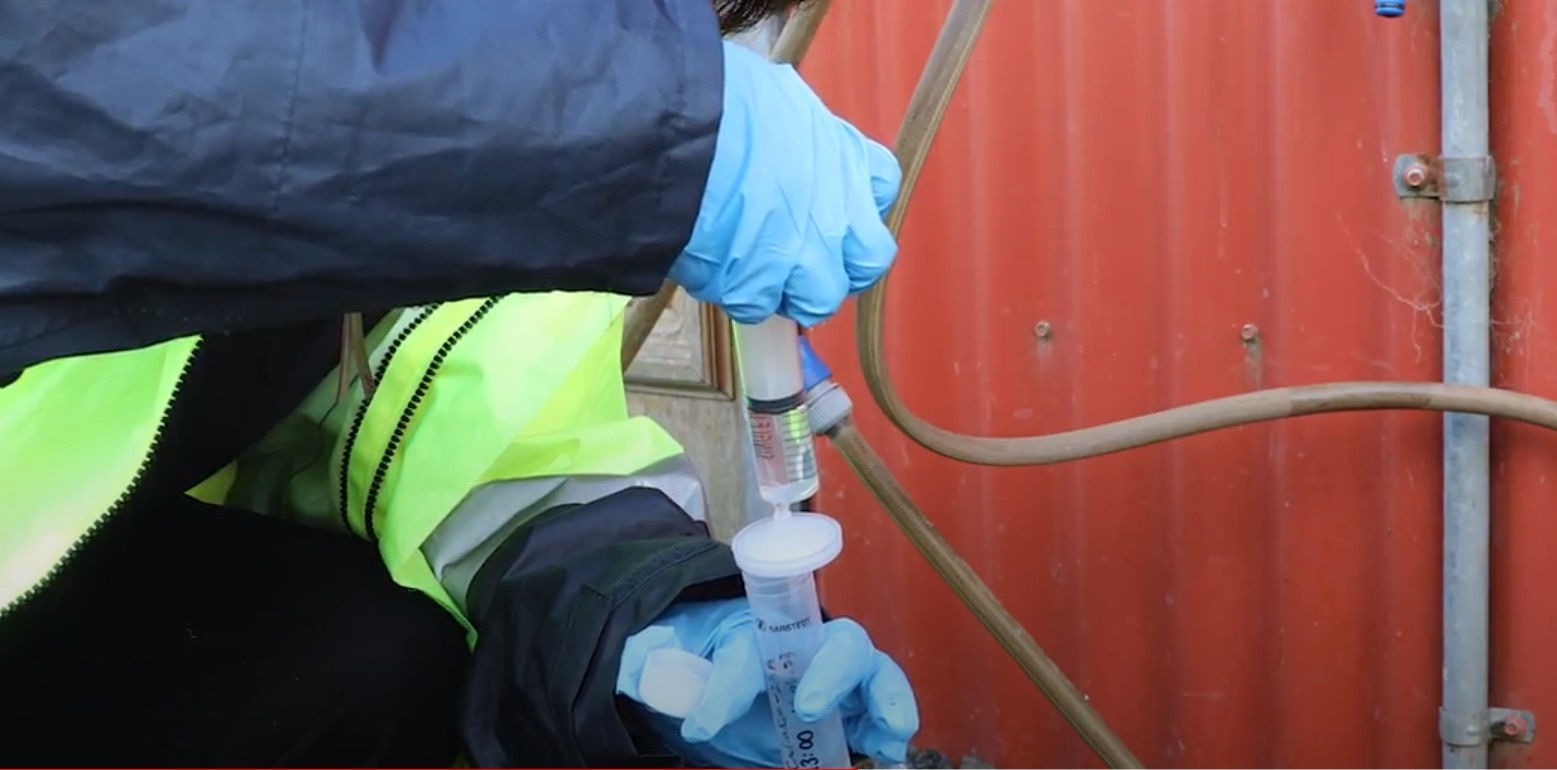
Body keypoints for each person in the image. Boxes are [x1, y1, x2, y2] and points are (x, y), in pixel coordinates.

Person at [0, 0, 919, 767]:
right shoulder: (546, 121)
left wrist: (651, 637)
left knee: (371, 659)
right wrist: (612, 122)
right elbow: (74, 77)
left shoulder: (511, 152)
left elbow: (476, 458)